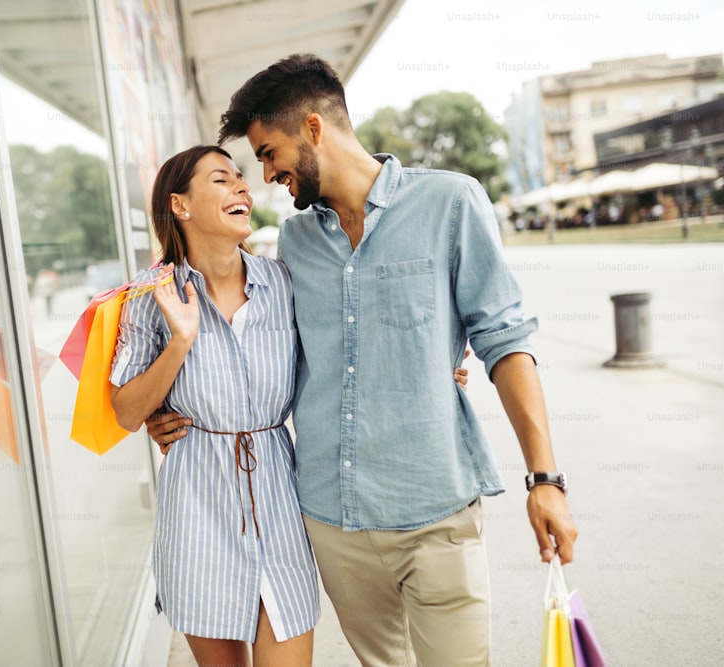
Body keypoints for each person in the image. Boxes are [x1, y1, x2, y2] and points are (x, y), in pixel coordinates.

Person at [147, 54, 578, 666]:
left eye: (270, 152)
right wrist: (161, 408)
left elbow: (505, 341)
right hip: (332, 520)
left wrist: (545, 480)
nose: (266, 174)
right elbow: (256, 347)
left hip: (435, 512)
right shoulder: (296, 243)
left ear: (314, 129)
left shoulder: (450, 203)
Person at [108, 145, 318, 666]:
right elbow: (128, 411)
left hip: (280, 499)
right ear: (180, 205)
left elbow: (339, 355)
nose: (243, 188)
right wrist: (178, 343)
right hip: (197, 508)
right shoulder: (148, 297)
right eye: (222, 180)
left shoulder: (284, 285)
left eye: (242, 179)